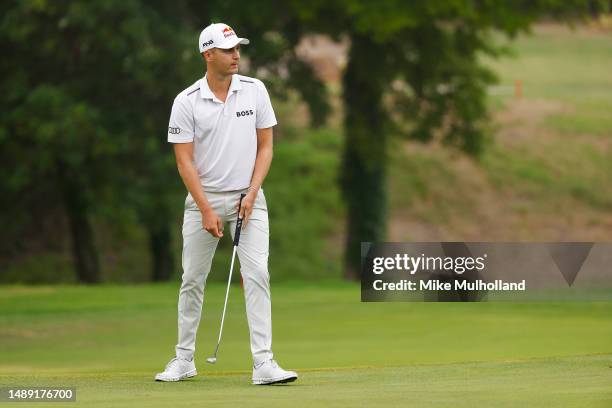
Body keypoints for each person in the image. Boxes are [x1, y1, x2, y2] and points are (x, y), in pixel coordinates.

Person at [155, 23, 298, 385]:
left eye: (237, 48)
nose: (236, 55)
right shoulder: (186, 101)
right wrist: (204, 207)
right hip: (202, 201)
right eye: (227, 49)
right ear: (208, 54)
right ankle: (183, 359)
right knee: (192, 279)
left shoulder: (255, 90)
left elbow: (266, 147)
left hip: (249, 199)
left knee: (258, 275)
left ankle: (264, 363)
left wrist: (252, 192)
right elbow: (184, 161)